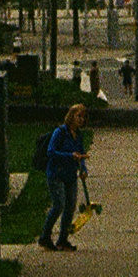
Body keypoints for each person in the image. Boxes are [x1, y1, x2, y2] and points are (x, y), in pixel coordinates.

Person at [39, 100, 91, 251]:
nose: (81, 119)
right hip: (56, 173)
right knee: (58, 205)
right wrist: (69, 156)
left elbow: (80, 153)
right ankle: (45, 236)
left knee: (70, 207)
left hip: (70, 174)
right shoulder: (60, 132)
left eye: (83, 117)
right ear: (71, 116)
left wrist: (83, 168)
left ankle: (63, 239)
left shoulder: (79, 135)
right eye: (78, 116)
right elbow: (51, 152)